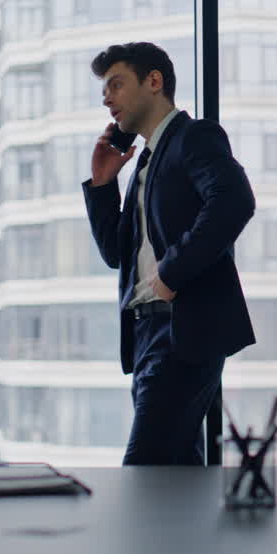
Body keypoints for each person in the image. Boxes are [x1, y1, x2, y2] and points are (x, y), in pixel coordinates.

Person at [81, 41, 256, 466]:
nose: (107, 98)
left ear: (153, 82)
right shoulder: (146, 161)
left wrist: (170, 274)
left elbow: (233, 199)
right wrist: (104, 184)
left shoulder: (193, 137)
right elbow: (114, 254)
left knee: (142, 473)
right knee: (176, 484)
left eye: (116, 85)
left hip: (179, 331)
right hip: (147, 337)